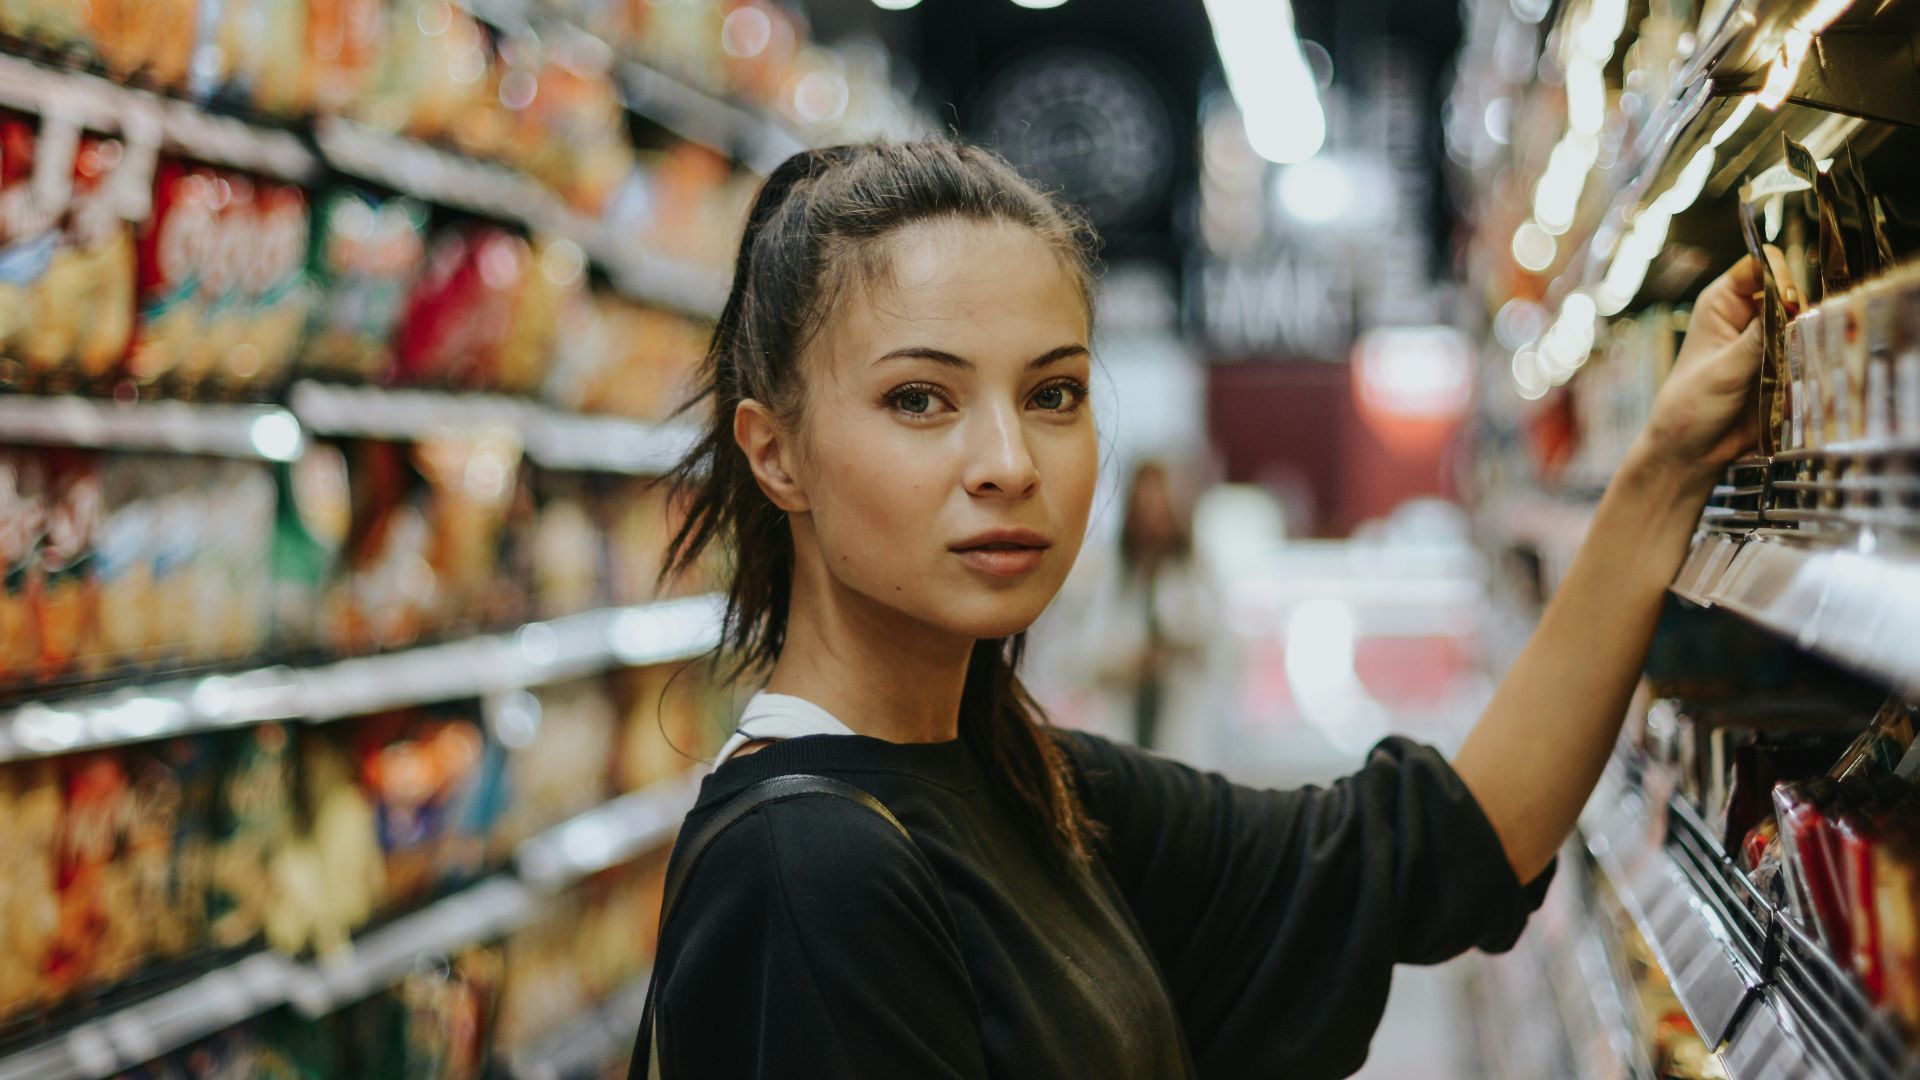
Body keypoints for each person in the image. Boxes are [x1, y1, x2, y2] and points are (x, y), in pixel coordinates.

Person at [640, 140, 1764, 1079]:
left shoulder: (1031, 785)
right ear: (775, 452)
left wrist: (1665, 468)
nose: (1008, 461)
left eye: (1053, 394)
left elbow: (1435, 849)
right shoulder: (808, 873)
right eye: (920, 398)